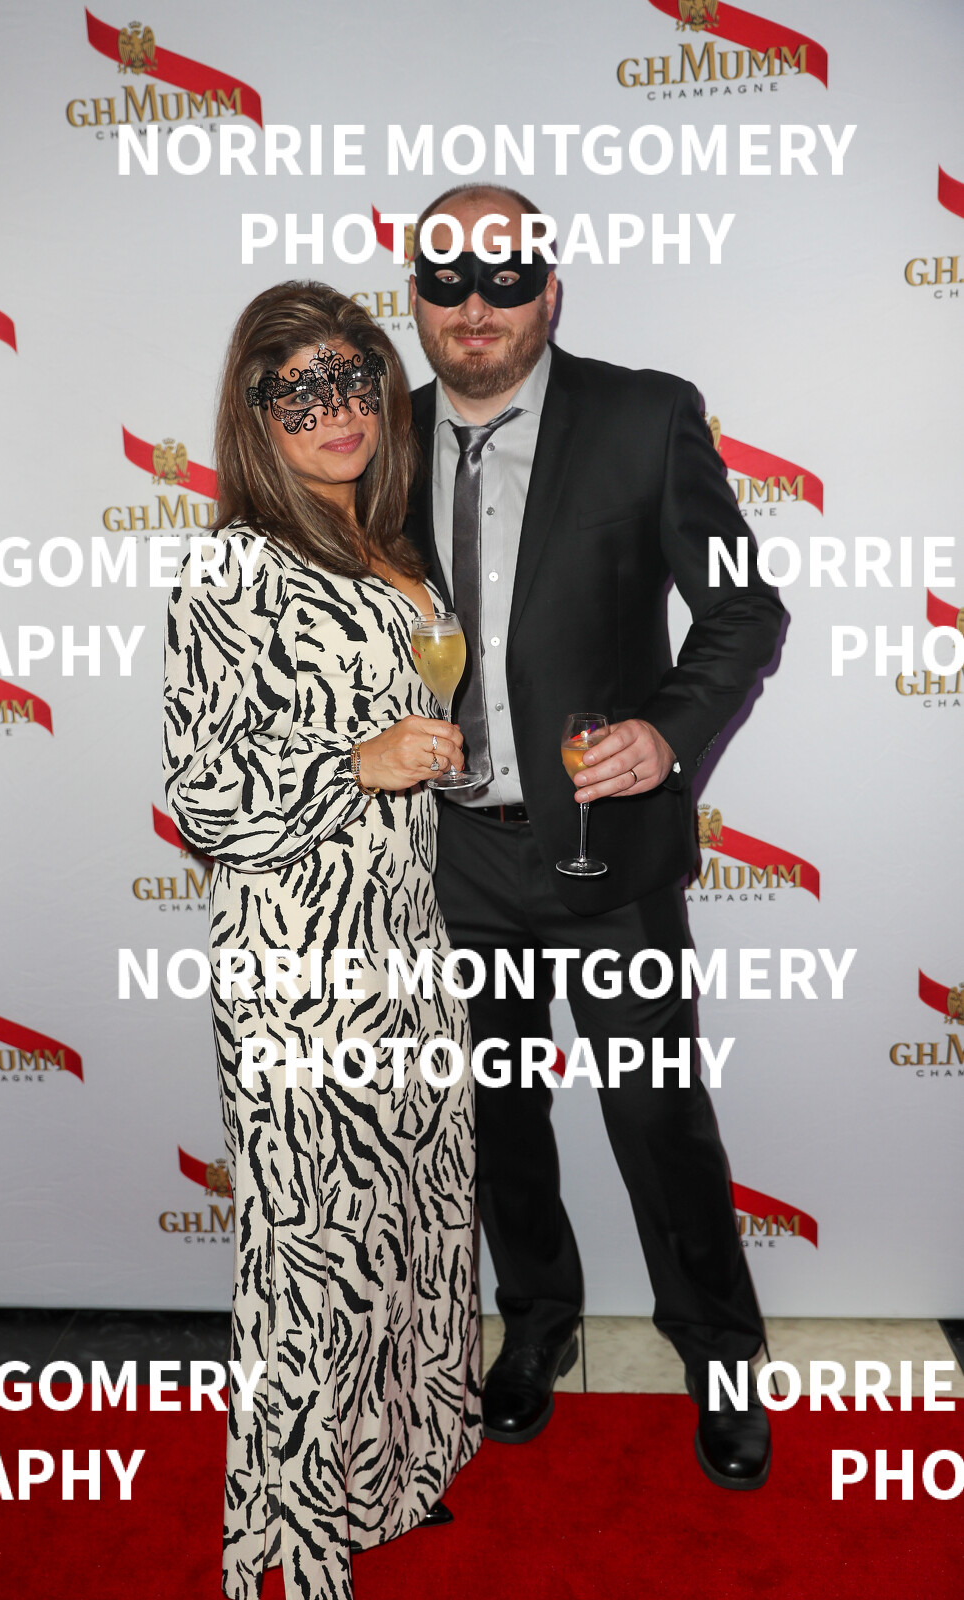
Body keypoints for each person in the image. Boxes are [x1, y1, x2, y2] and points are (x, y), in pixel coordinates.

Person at [405, 184, 786, 1489]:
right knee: (494, 1115)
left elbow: (744, 611)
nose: (475, 304)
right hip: (448, 856)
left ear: (550, 291)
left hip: (608, 856)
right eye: (446, 279)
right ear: (415, 298)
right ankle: (537, 1322)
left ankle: (721, 1356)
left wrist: (668, 736)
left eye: (505, 277)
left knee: (659, 1118)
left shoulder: (644, 416)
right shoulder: (374, 444)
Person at [163, 282, 480, 1600]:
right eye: (297, 391)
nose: (336, 412)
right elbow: (200, 795)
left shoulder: (385, 543)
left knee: (410, 1227)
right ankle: (286, 1549)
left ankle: (389, 1479)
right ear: (255, 415)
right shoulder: (234, 565)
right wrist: (357, 761)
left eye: (354, 380)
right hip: (301, 969)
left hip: (405, 945)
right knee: (312, 1263)